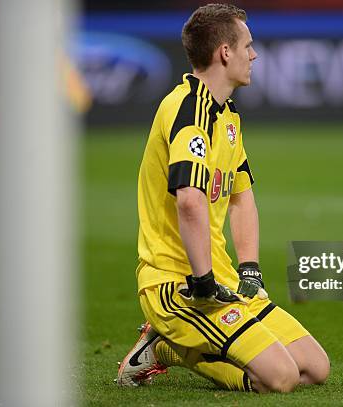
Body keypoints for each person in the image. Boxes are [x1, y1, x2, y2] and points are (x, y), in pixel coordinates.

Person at [116, 3, 330, 393]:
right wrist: (202, 283)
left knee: (316, 368)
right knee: (279, 379)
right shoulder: (187, 110)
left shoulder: (227, 116)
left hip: (223, 281)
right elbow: (190, 202)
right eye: (247, 45)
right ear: (224, 52)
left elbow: (241, 198)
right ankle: (167, 347)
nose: (254, 54)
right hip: (178, 286)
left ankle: (171, 341)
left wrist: (249, 269)